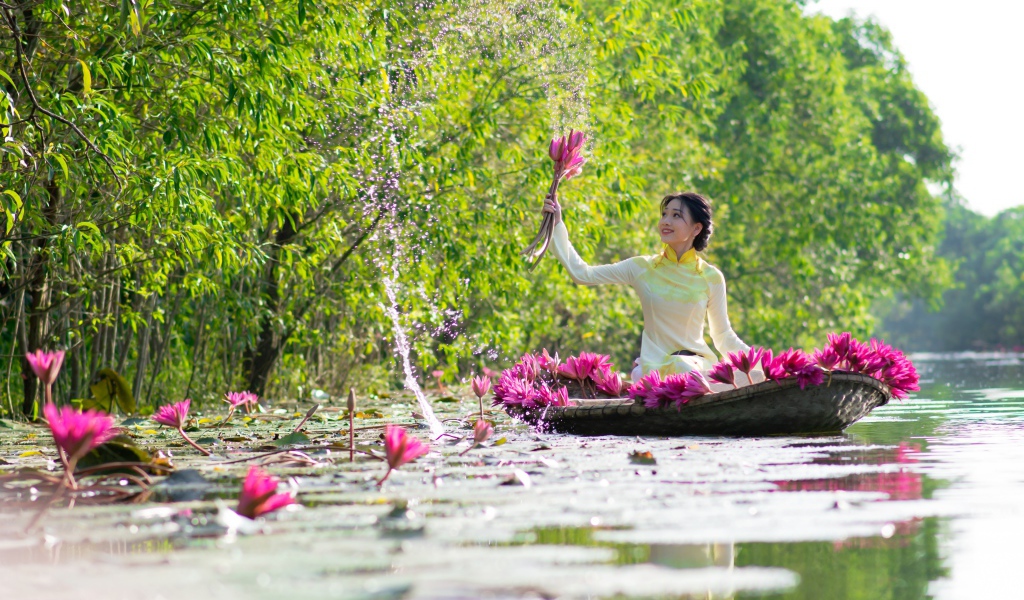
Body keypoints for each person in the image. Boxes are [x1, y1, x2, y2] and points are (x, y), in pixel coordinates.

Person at [543, 190, 751, 383]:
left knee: (739, 376)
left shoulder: (710, 277)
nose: (665, 222)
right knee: (656, 373)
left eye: (676, 216)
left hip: (695, 368)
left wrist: (762, 364)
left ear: (696, 228)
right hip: (653, 372)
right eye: (664, 214)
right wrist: (557, 223)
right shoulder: (642, 268)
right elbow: (583, 274)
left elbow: (723, 336)